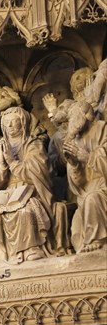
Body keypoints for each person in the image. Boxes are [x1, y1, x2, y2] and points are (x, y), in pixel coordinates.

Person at [0, 107, 53, 267]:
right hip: (6, 193)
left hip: (30, 191)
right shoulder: (0, 147)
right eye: (7, 123)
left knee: (24, 211)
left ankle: (30, 249)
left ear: (23, 123)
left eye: (14, 121)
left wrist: (13, 162)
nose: (10, 126)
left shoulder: (33, 143)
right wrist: (3, 166)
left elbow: (39, 171)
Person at [63, 101, 107, 253]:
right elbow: (77, 186)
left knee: (92, 199)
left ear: (85, 115)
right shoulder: (76, 140)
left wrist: (88, 158)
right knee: (76, 224)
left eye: (74, 117)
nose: (72, 123)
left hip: (103, 187)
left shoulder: (103, 130)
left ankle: (96, 240)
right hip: (86, 193)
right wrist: (74, 165)